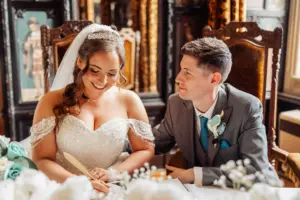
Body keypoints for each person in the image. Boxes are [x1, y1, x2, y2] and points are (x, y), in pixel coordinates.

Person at [30, 24, 154, 193]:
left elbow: (145, 149)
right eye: (95, 71)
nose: (103, 81)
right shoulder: (50, 101)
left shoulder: (129, 100)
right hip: (64, 187)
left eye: (112, 73)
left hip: (113, 187)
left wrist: (114, 173)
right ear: (80, 62)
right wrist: (80, 184)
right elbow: (42, 159)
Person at [153, 37, 279, 186]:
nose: (178, 78)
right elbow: (157, 141)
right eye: (181, 69)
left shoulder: (246, 107)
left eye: (187, 72)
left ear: (214, 79)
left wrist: (195, 174)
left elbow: (257, 171)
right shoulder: (176, 103)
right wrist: (122, 143)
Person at [23, 17, 44, 99]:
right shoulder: (30, 35)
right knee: (36, 75)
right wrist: (27, 44)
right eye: (31, 26)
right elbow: (26, 48)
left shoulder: (42, 33)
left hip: (42, 57)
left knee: (43, 75)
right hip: (34, 58)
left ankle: (45, 91)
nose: (32, 27)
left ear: (37, 25)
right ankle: (38, 91)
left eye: (34, 25)